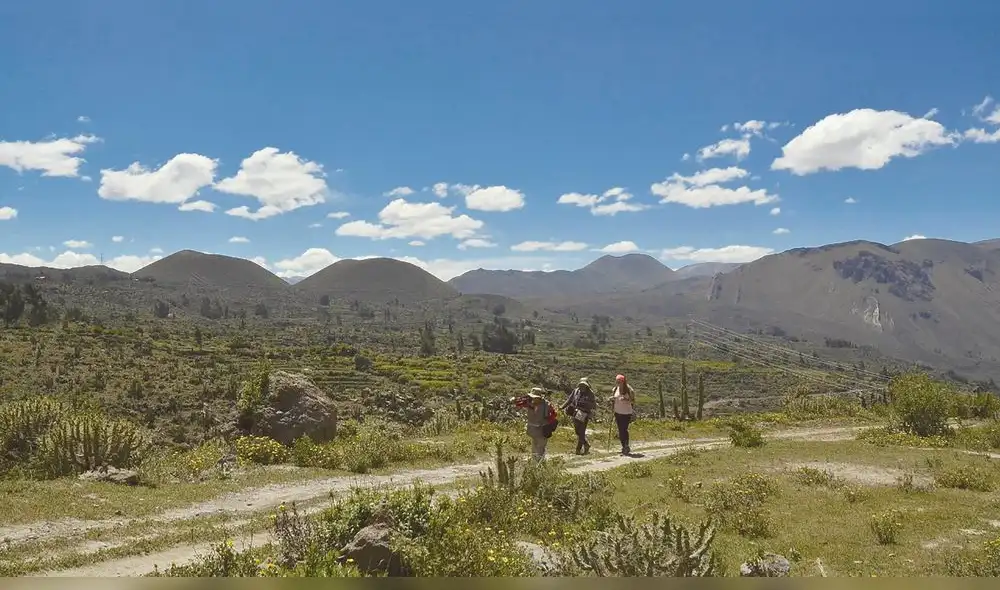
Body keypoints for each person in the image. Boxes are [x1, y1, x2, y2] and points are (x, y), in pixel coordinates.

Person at [511, 387, 558, 462]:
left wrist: (547, 423)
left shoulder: (547, 405)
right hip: (533, 430)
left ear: (539, 397)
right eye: (532, 397)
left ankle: (540, 464)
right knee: (534, 446)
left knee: (540, 448)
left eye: (535, 397)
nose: (534, 399)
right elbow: (519, 403)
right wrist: (514, 400)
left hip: (542, 430)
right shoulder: (529, 402)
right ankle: (534, 462)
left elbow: (553, 415)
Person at [561, 377, 597, 455]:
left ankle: (578, 449)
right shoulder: (576, 391)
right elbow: (569, 400)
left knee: (581, 431)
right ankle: (586, 444)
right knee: (577, 431)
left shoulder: (590, 393)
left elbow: (593, 405)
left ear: (587, 386)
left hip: (584, 414)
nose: (582, 387)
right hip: (575, 413)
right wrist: (562, 407)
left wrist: (585, 406)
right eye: (581, 385)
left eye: (583, 385)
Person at [608, 373, 635, 455]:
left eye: (619, 381)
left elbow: (633, 401)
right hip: (617, 412)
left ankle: (626, 446)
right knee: (620, 430)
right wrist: (611, 399)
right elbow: (614, 398)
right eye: (617, 381)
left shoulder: (629, 389)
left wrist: (626, 399)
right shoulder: (615, 389)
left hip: (626, 413)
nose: (618, 383)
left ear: (623, 381)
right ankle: (624, 446)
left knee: (624, 429)